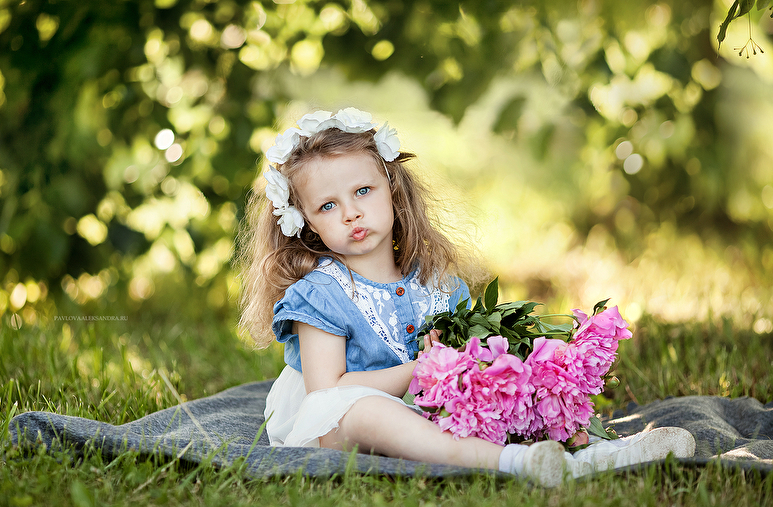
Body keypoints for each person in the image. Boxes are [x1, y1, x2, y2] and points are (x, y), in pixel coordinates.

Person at [240, 107, 695, 487]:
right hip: (334, 424)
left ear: (393, 192)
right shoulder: (320, 294)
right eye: (328, 206)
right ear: (306, 223)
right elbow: (327, 392)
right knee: (370, 413)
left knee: (505, 391)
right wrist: (418, 371)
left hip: (426, 408)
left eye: (362, 191)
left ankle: (593, 453)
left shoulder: (437, 284)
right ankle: (508, 464)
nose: (351, 212)